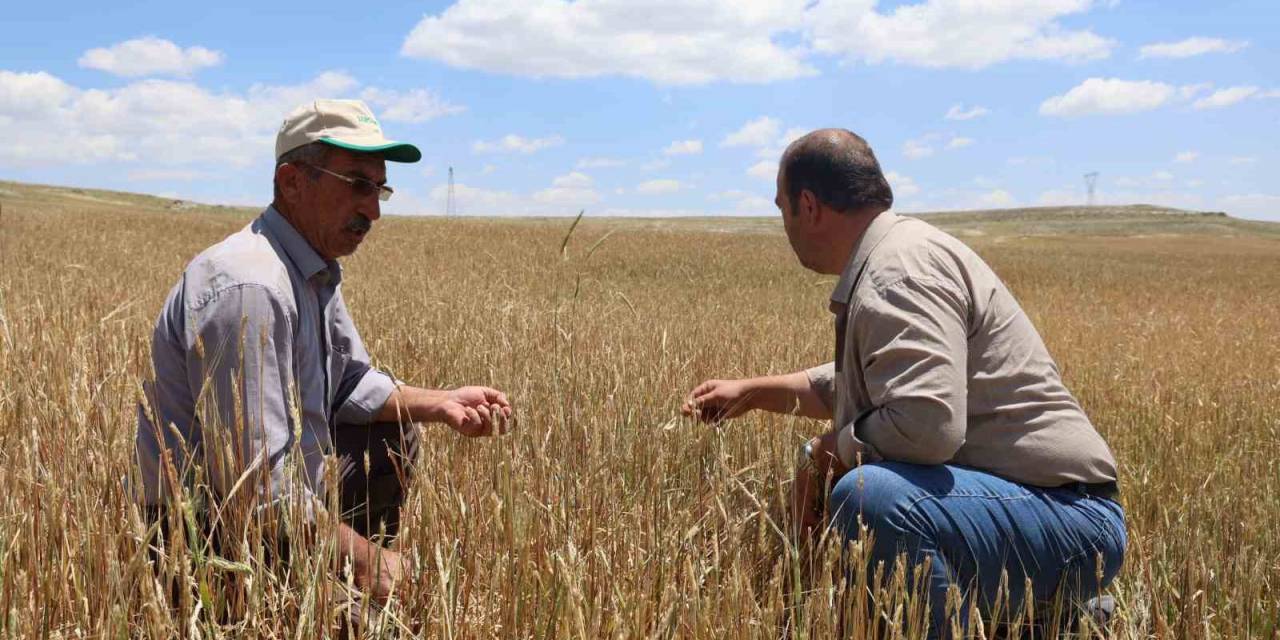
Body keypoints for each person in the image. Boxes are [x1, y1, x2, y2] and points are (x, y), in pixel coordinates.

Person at [682, 129, 1125, 636]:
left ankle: (1036, 608)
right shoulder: (898, 254)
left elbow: (926, 424)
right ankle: (1047, 620)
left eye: (782, 208)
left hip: (1068, 518)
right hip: (1034, 510)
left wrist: (828, 453)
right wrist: (753, 393)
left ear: (808, 205)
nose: (784, 224)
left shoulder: (897, 273)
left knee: (873, 498)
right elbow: (878, 382)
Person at [135, 99, 514, 601]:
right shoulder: (252, 288)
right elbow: (255, 488)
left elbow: (350, 383)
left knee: (392, 433)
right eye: (357, 184)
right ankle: (320, 588)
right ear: (293, 181)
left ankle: (339, 573)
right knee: (384, 626)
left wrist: (441, 403)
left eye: (379, 188)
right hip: (206, 535)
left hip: (277, 509)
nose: (373, 210)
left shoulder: (310, 269)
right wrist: (368, 562)